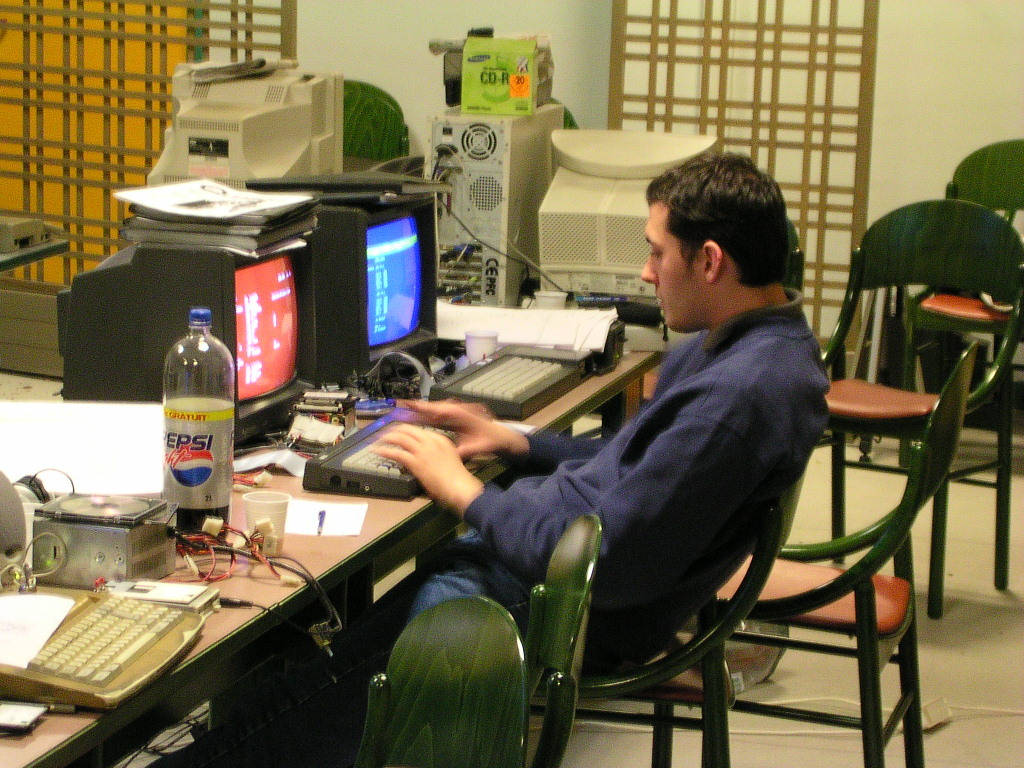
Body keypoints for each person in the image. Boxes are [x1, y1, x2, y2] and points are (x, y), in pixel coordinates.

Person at [157, 152, 828, 767]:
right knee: (311, 679)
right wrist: (520, 441)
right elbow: (636, 465)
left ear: (710, 261)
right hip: (542, 580)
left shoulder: (735, 399)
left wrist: (467, 495)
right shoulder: (756, 351)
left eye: (657, 253)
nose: (647, 273)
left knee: (280, 714)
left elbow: (609, 560)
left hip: (555, 609)